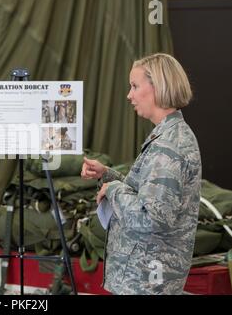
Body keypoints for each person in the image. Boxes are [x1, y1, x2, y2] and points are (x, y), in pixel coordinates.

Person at [81, 53, 201, 294]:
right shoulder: (166, 136)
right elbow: (147, 195)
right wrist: (107, 176)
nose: (129, 95)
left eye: (135, 86)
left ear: (158, 87)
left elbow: (150, 218)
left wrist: (113, 191)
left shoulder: (170, 146)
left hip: (147, 283)